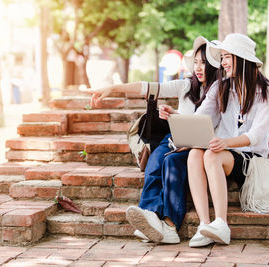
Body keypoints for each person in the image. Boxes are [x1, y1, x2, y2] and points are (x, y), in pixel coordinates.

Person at [81, 36, 220, 245]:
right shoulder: (186, 86)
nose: (199, 68)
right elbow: (148, 87)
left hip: (198, 145)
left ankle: (169, 226)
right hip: (176, 138)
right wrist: (112, 88)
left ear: (214, 65)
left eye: (205, 63)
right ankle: (149, 218)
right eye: (197, 63)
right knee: (155, 161)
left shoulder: (221, 90)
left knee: (172, 164)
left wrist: (173, 115)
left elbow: (202, 121)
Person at [185, 33, 269, 246]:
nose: (223, 62)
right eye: (223, 57)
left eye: (227, 57)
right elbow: (200, 118)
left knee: (212, 155)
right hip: (223, 153)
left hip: (250, 157)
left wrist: (225, 143)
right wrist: (181, 124)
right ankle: (204, 225)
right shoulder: (221, 87)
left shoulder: (268, 90)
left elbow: (256, 136)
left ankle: (221, 224)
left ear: (241, 57)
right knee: (194, 154)